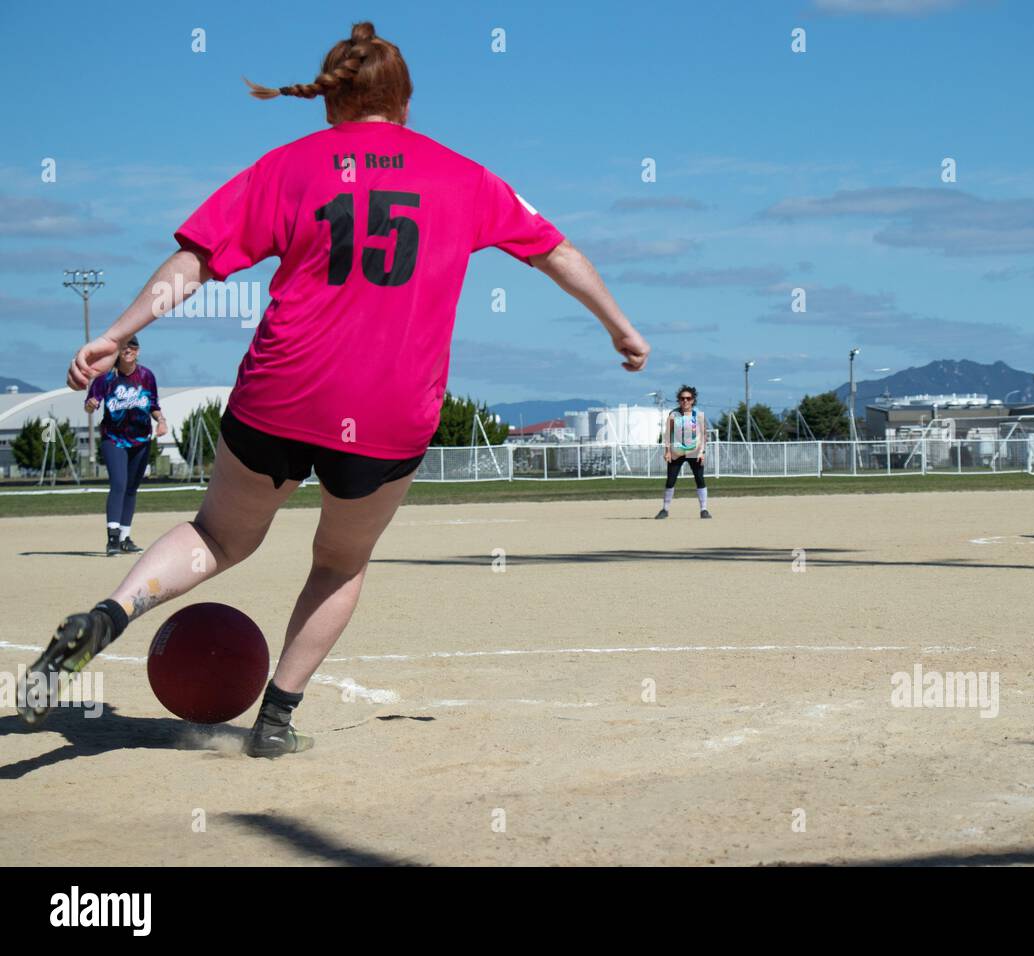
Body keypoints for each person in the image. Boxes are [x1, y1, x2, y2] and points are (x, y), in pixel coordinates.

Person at [18, 22, 651, 755]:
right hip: (390, 406)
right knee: (340, 562)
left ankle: (110, 614)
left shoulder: (289, 166)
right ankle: (276, 722)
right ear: (405, 101)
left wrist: (118, 331)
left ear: (329, 104)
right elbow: (555, 251)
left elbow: (194, 262)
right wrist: (620, 327)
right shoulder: (463, 175)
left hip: (284, 387)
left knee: (217, 536)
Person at [84, 335, 167, 555]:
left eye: (133, 346)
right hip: (114, 438)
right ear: (118, 352)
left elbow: (153, 404)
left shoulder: (146, 376)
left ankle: (124, 537)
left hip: (141, 439)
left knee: (131, 488)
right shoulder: (107, 378)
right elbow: (90, 405)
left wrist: (161, 420)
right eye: (124, 347)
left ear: (138, 351)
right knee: (119, 483)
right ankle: (112, 538)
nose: (128, 350)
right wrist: (91, 405)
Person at [656, 385, 710, 519]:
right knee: (671, 480)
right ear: (679, 400)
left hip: (694, 451)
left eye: (688, 398)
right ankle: (665, 509)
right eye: (682, 398)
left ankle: (704, 510)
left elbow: (704, 435)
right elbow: (668, 433)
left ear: (693, 400)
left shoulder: (698, 414)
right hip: (677, 451)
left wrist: (702, 452)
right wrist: (667, 451)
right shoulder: (674, 414)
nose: (685, 401)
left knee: (699, 479)